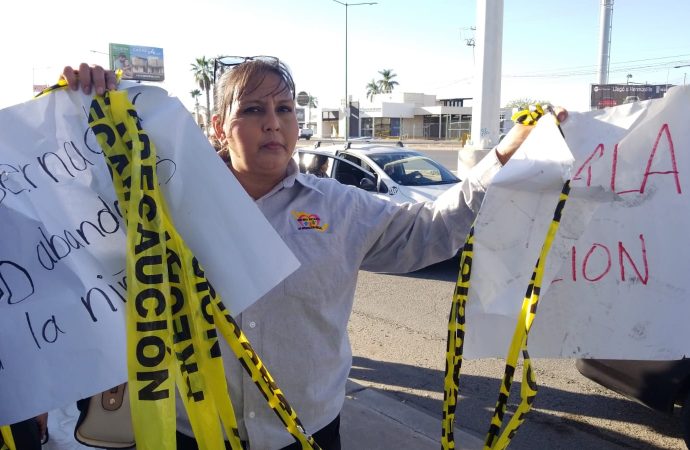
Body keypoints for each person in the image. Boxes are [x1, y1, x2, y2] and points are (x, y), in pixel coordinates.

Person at [61, 59, 566, 450]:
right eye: (253, 110)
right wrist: (83, 105)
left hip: (307, 432)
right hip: (194, 430)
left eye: (284, 111)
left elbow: (433, 231)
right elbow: (74, 214)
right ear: (218, 127)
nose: (273, 125)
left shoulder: (341, 207)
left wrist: (502, 154)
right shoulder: (164, 204)